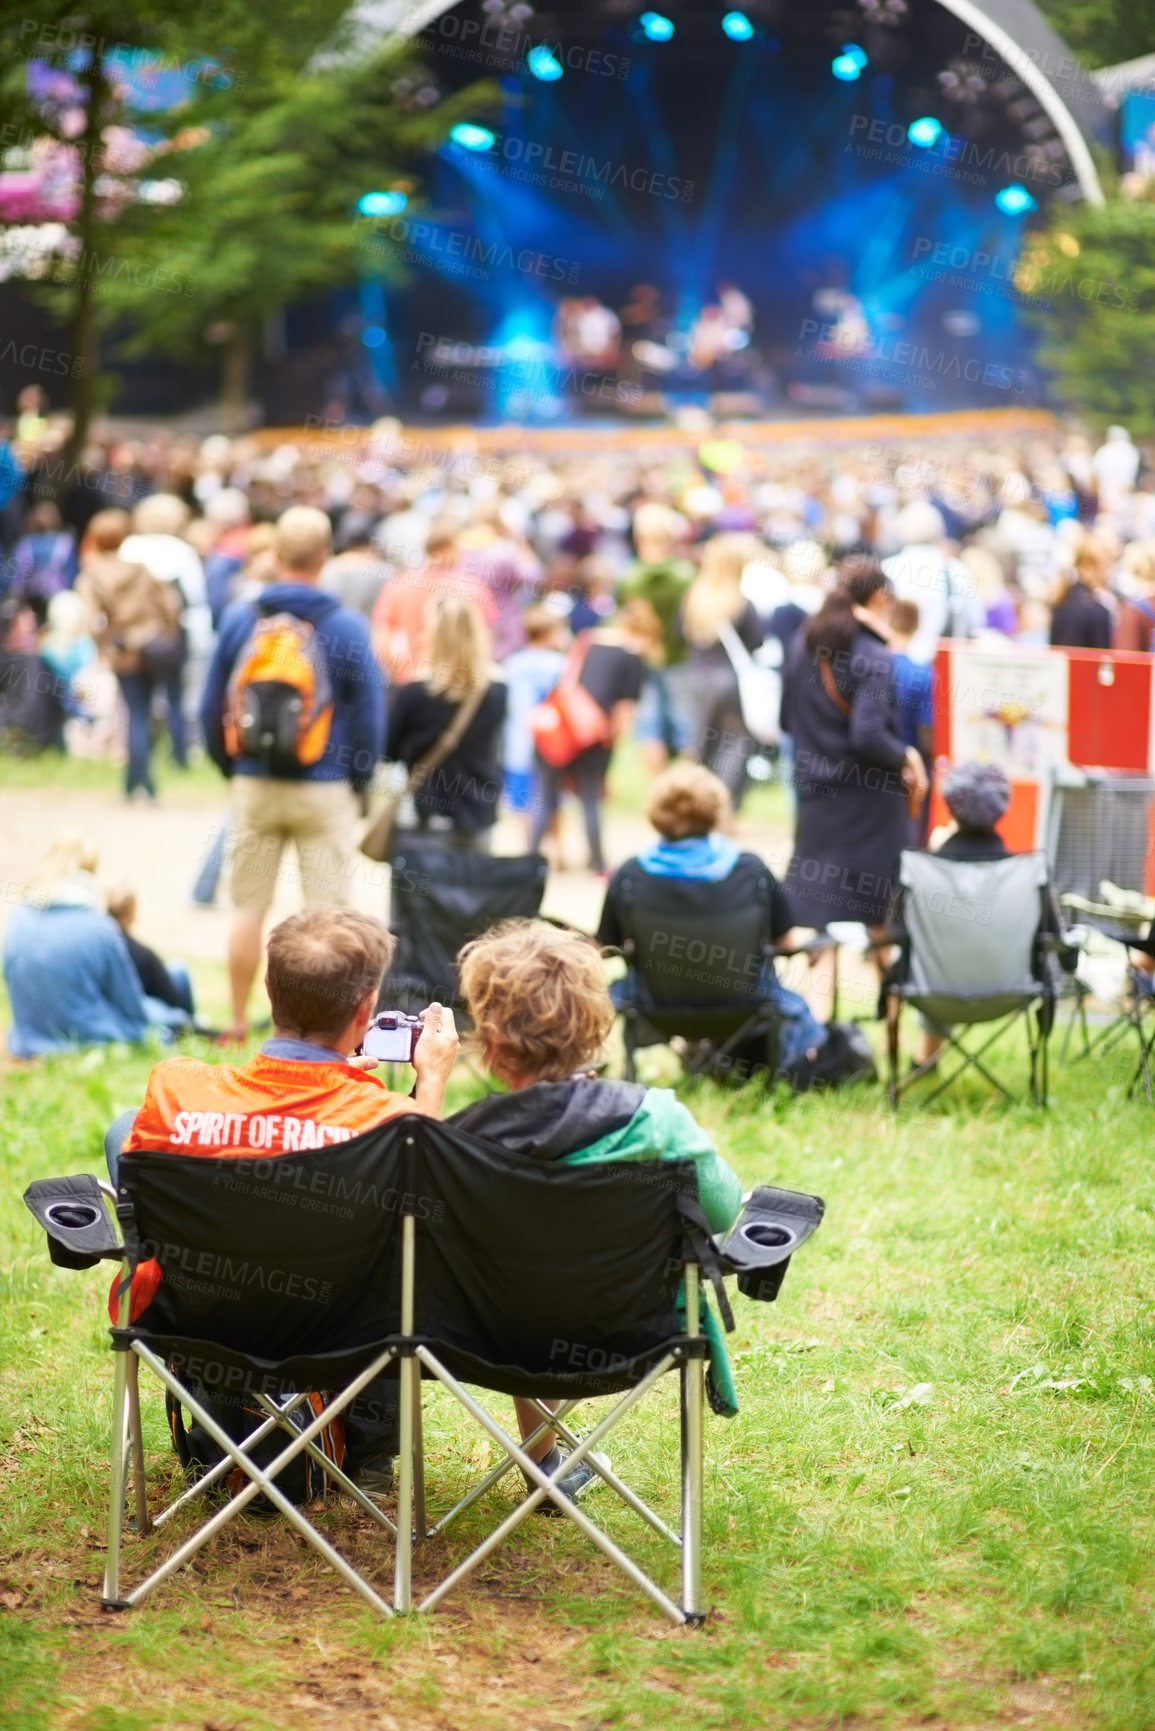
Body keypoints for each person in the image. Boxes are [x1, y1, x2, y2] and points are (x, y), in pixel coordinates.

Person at [106, 908, 460, 1500]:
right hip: (343, 1338)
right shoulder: (391, 1124)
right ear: (365, 1011)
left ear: (270, 992)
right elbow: (433, 1209)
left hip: (196, 1327)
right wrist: (432, 1082)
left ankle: (221, 1413)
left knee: (125, 1130)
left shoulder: (173, 1090)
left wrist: (327, 1086)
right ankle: (367, 1450)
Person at [450, 919, 742, 1506]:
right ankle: (548, 1462)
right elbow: (724, 1210)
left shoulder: (455, 1144)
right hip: (630, 1330)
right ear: (595, 1024)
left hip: (487, 1338)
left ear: (489, 1038)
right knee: (549, 1281)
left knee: (529, 1280)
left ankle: (545, 1459)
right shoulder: (657, 1122)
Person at [199, 505, 386, 1040]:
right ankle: (325, 1035)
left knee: (247, 908)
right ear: (325, 557)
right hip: (324, 786)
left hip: (255, 783)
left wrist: (231, 766)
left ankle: (236, 1021)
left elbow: (209, 704)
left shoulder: (242, 616)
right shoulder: (345, 624)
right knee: (328, 922)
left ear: (275, 555)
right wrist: (359, 781)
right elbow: (371, 713)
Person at [597, 765, 850, 1082]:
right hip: (746, 1006)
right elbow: (785, 944)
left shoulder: (630, 875)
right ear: (715, 812)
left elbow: (604, 947)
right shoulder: (751, 870)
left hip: (653, 1007)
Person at [783, 556, 927, 940]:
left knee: (816, 915)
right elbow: (868, 736)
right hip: (870, 803)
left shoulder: (801, 642)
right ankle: (886, 996)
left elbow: (785, 718)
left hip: (815, 792)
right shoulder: (875, 655)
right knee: (882, 913)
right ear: (880, 596)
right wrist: (906, 756)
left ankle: (816, 996)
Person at [3, 834, 185, 1058]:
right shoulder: (98, 927)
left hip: (27, 1039)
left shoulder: (19, 918)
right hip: (87, 1037)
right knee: (173, 997)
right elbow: (131, 1004)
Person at [528, 605, 647, 874]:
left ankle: (530, 861)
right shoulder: (631, 656)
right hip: (593, 738)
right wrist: (613, 746)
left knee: (544, 797)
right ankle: (597, 863)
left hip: (557, 729)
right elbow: (624, 712)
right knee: (591, 799)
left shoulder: (586, 640)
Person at [74, 509, 185, 799]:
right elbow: (170, 605)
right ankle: (138, 782)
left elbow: (91, 621)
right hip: (153, 647)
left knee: (135, 713)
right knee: (146, 713)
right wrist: (167, 634)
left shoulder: (93, 576)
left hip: (124, 652)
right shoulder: (140, 569)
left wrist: (106, 647)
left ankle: (142, 784)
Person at [385, 596, 507, 851]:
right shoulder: (496, 693)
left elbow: (388, 751)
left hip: (424, 812)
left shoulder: (415, 694)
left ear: (433, 637)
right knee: (472, 887)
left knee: (417, 890)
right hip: (477, 810)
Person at [678, 533, 766, 804]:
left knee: (701, 745)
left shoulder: (693, 598)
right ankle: (722, 808)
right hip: (728, 681)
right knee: (733, 747)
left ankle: (697, 804)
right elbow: (757, 640)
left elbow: (679, 635)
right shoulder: (741, 602)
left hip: (695, 678)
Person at [881, 501, 979, 661]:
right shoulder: (956, 570)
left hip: (895, 667)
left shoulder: (887, 569)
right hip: (943, 669)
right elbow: (975, 621)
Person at [501, 606, 567, 829]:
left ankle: (526, 848)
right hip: (553, 744)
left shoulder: (513, 664)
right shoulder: (561, 664)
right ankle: (558, 850)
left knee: (522, 805)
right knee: (554, 800)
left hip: (519, 742)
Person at [0, 597, 65, 754]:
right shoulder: (32, 662)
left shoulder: (36, 664)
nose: (32, 632)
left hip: (29, 736)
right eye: (28, 629)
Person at [8, 500, 78, 618]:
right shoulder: (66, 543)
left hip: (30, 603)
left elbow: (17, 582)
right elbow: (72, 576)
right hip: (59, 603)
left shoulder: (24, 545)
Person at [1050, 532, 1114, 650]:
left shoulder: (1061, 597)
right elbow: (1101, 658)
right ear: (1088, 567)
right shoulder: (1097, 611)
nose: (1109, 574)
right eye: (1106, 567)